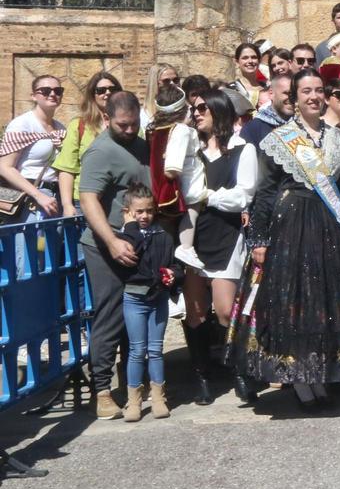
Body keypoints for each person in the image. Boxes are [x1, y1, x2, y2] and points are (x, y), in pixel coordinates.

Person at [230, 68, 340, 410]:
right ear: (295, 98)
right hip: (292, 228)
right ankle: (300, 378)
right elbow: (266, 193)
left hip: (331, 229)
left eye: (318, 90)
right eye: (305, 91)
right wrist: (258, 239)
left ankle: (320, 371)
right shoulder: (279, 140)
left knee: (326, 303)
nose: (313, 96)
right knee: (297, 303)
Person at [180, 89, 258, 405]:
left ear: (218, 111)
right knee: (196, 312)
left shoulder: (243, 150)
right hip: (192, 236)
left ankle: (239, 369)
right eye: (193, 109)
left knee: (226, 310)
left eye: (202, 108)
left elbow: (244, 195)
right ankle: (202, 376)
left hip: (226, 235)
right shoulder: (189, 150)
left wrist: (206, 196)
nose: (196, 113)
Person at [78, 91, 150, 418]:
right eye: (123, 125)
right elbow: (89, 200)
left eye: (134, 123)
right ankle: (102, 391)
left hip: (134, 243)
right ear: (107, 119)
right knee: (109, 316)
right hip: (105, 245)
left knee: (135, 314)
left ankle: (132, 383)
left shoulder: (139, 143)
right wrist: (111, 241)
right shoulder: (100, 151)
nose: (130, 130)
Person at [115, 183, 181, 421]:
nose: (145, 216)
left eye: (149, 211)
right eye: (139, 211)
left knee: (155, 350)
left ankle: (159, 396)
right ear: (128, 212)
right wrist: (131, 226)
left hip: (158, 297)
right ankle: (134, 400)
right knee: (136, 350)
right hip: (134, 297)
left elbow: (175, 262)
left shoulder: (163, 235)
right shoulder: (124, 236)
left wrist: (175, 273)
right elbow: (134, 250)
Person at [144, 83, 205, 270]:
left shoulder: (155, 129)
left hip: (162, 186)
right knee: (193, 209)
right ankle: (186, 247)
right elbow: (172, 167)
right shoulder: (181, 130)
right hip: (186, 181)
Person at [1, 75, 66, 226]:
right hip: (29, 199)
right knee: (28, 248)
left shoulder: (60, 127)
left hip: (54, 198)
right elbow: (4, 167)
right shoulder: (22, 125)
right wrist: (38, 195)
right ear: (33, 96)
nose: (52, 94)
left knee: (51, 249)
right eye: (45, 90)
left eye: (58, 90)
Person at [54, 71, 121, 215]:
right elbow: (67, 168)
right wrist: (67, 205)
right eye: (101, 90)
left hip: (121, 200)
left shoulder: (131, 126)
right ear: (93, 95)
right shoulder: (79, 125)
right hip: (85, 201)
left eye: (113, 89)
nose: (108, 93)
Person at [240, 73, 293, 148]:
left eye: (294, 94)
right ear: (271, 94)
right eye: (287, 93)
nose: (291, 98)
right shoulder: (252, 129)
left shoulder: (303, 123)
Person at [228, 42, 265, 108]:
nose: (250, 61)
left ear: (259, 61)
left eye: (254, 57)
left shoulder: (267, 88)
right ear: (237, 62)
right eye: (245, 58)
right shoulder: (230, 90)